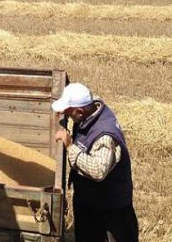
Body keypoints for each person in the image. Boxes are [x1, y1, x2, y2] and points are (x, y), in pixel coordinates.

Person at [51, 83, 138, 242]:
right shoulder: (91, 108)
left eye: (69, 113)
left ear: (80, 111)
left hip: (110, 207)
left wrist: (70, 146)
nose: (67, 115)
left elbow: (98, 171)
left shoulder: (105, 136)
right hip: (90, 200)